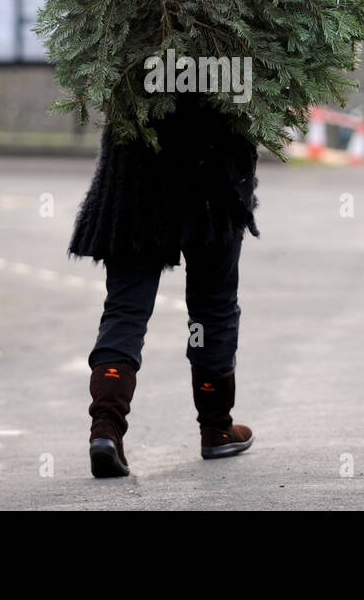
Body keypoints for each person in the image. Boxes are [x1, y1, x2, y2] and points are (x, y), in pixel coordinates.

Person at [68, 89, 260, 478]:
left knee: (125, 308)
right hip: (214, 158)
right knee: (211, 306)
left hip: (136, 159)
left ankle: (105, 429)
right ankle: (216, 428)